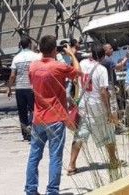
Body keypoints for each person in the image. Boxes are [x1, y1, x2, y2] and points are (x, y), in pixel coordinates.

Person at [24, 35, 80, 195]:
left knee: (34, 156)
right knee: (55, 156)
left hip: (38, 118)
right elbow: (78, 72)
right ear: (55, 50)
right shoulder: (58, 66)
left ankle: (30, 190)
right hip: (55, 118)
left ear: (40, 50)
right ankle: (52, 191)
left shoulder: (33, 67)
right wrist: (72, 54)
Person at [68, 44, 120, 174]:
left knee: (79, 136)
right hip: (97, 107)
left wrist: (72, 54)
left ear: (91, 53)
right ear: (102, 57)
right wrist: (109, 112)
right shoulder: (101, 69)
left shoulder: (83, 63)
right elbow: (103, 92)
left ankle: (71, 164)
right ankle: (113, 160)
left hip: (83, 107)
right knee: (108, 134)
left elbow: (75, 77)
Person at [9, 36, 42, 141]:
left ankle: (25, 134)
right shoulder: (36, 56)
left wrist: (9, 88)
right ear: (29, 44)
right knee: (35, 110)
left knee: (22, 112)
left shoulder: (16, 58)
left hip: (20, 88)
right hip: (32, 87)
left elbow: (13, 75)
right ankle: (35, 131)